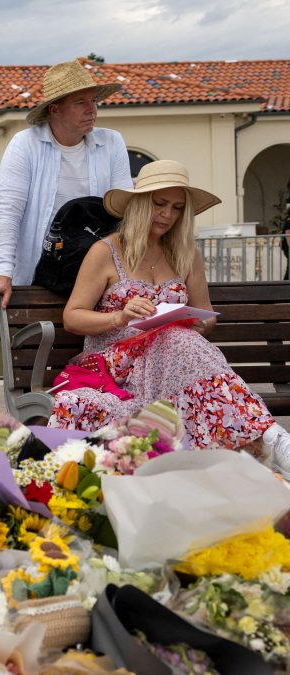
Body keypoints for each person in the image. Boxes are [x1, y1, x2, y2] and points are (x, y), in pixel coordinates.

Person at [49, 160, 290, 475]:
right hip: (117, 368)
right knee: (176, 341)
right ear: (138, 205)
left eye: (177, 208)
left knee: (176, 336)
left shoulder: (185, 252)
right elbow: (73, 316)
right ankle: (273, 441)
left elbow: (207, 318)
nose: (167, 214)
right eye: (159, 204)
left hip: (174, 364)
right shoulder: (105, 251)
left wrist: (193, 320)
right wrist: (120, 317)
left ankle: (268, 442)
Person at [0, 60, 132, 309]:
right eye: (80, 103)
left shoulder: (112, 142)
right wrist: (2, 270)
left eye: (94, 101)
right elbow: (8, 211)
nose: (92, 110)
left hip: (100, 274)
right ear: (54, 109)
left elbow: (124, 210)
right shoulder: (25, 145)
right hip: (38, 273)